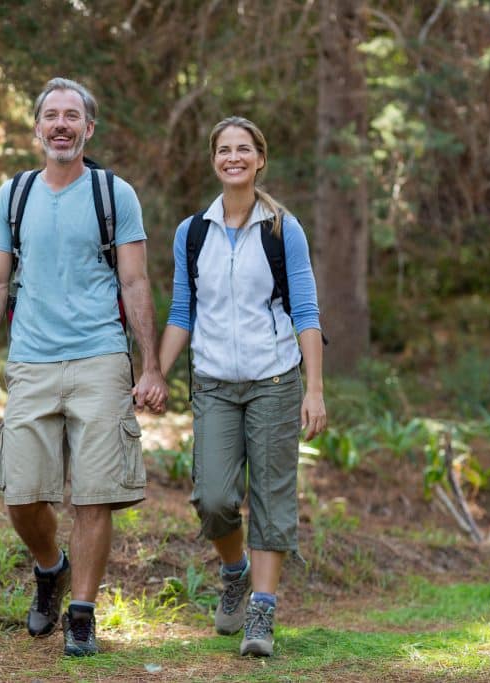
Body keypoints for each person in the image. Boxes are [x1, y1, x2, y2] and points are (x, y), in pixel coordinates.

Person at [0, 77, 168, 657]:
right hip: (30, 360)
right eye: (50, 115)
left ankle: (81, 614)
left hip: (102, 357)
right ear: (37, 128)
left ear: (88, 128)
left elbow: (134, 280)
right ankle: (50, 568)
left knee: (94, 496)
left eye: (71, 116)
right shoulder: (15, 194)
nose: (61, 124)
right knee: (21, 495)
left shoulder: (114, 194)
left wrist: (150, 365)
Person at [152, 115, 327, 657]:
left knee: (272, 500)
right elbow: (183, 309)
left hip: (275, 381)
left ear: (259, 159)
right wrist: (155, 371)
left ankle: (262, 611)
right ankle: (235, 571)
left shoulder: (282, 228)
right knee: (212, 498)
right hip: (213, 384)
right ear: (214, 160)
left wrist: (314, 388)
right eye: (224, 150)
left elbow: (305, 310)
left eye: (243, 149)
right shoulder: (192, 232)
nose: (234, 158)